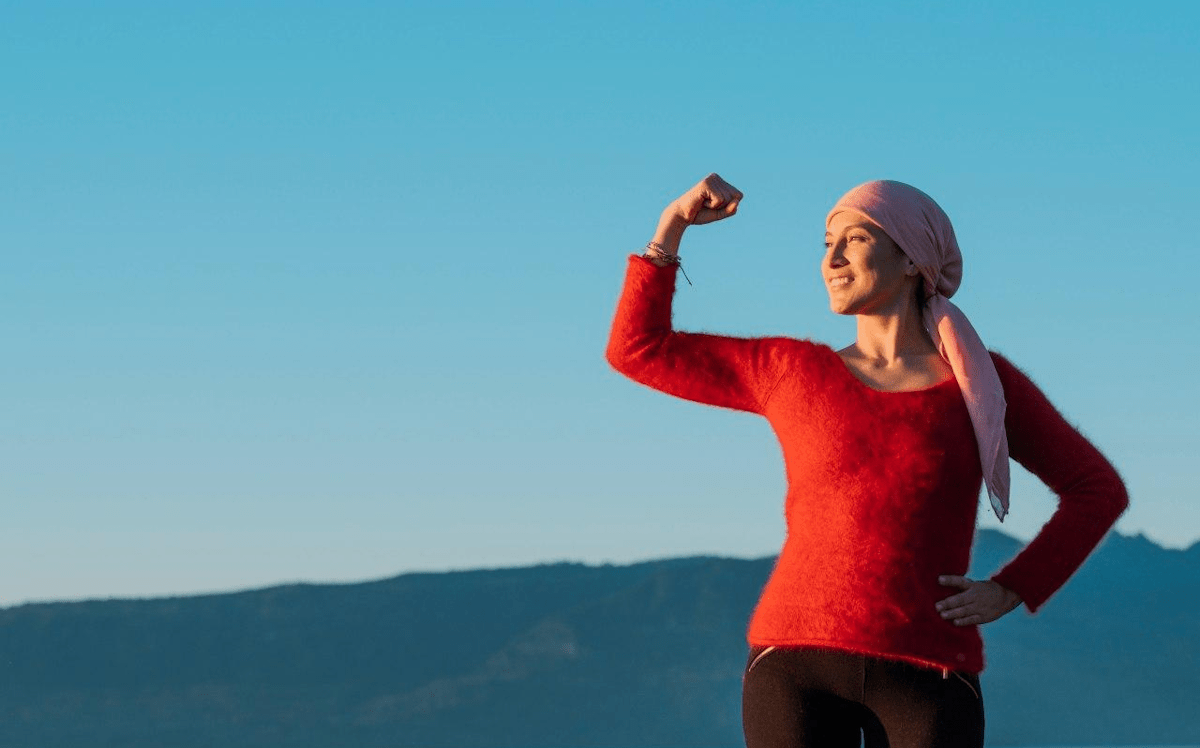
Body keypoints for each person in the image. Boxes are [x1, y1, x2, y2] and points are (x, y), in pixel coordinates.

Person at [604, 174, 1129, 748]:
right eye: (825, 243)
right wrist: (672, 226)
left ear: (911, 259)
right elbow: (638, 349)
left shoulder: (982, 384)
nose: (831, 257)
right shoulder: (790, 370)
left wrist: (1013, 587)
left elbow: (1096, 490)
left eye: (853, 239)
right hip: (795, 667)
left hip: (931, 670)